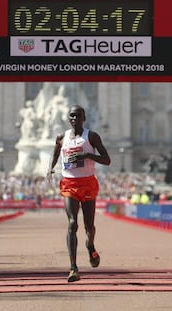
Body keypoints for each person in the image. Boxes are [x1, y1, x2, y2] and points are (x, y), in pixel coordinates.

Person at [47, 105, 111, 282]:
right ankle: (73, 268)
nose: (74, 118)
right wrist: (50, 169)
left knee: (89, 226)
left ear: (84, 118)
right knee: (72, 223)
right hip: (69, 183)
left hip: (88, 183)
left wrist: (87, 156)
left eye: (77, 116)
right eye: (71, 116)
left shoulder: (91, 136)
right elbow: (55, 153)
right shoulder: (62, 137)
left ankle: (90, 245)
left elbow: (107, 160)